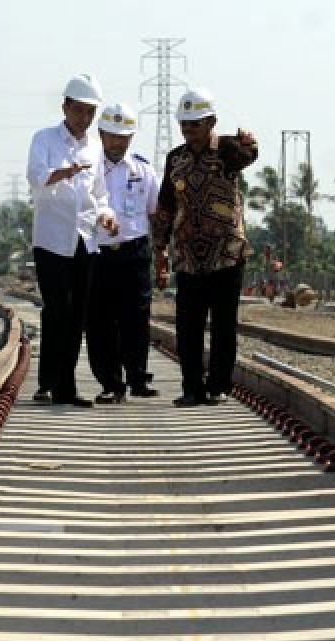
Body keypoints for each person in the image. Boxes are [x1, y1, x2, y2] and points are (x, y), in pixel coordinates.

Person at [151, 88, 258, 407]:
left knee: (224, 325)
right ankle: (192, 388)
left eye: (195, 123)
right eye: (184, 123)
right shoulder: (175, 159)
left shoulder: (227, 150)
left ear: (211, 121)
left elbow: (249, 157)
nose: (189, 129)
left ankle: (219, 386)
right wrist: (161, 249)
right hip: (188, 257)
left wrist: (250, 143)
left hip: (226, 253)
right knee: (189, 326)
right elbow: (166, 206)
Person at [26, 73, 119, 408]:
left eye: (90, 113)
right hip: (52, 238)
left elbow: (100, 194)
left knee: (77, 313)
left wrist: (106, 215)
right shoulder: (45, 139)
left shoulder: (95, 147)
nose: (85, 119)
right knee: (57, 310)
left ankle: (65, 384)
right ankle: (52, 382)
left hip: (85, 238)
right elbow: (36, 178)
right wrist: (63, 173)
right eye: (79, 111)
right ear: (65, 107)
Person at [87, 102, 161, 403]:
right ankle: (110, 383)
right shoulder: (89, 169)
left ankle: (138, 378)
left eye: (124, 136)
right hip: (100, 253)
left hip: (135, 252)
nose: (117, 142)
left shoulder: (143, 170)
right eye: (112, 135)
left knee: (137, 318)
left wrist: (162, 255)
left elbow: (156, 213)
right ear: (101, 134)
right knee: (100, 321)